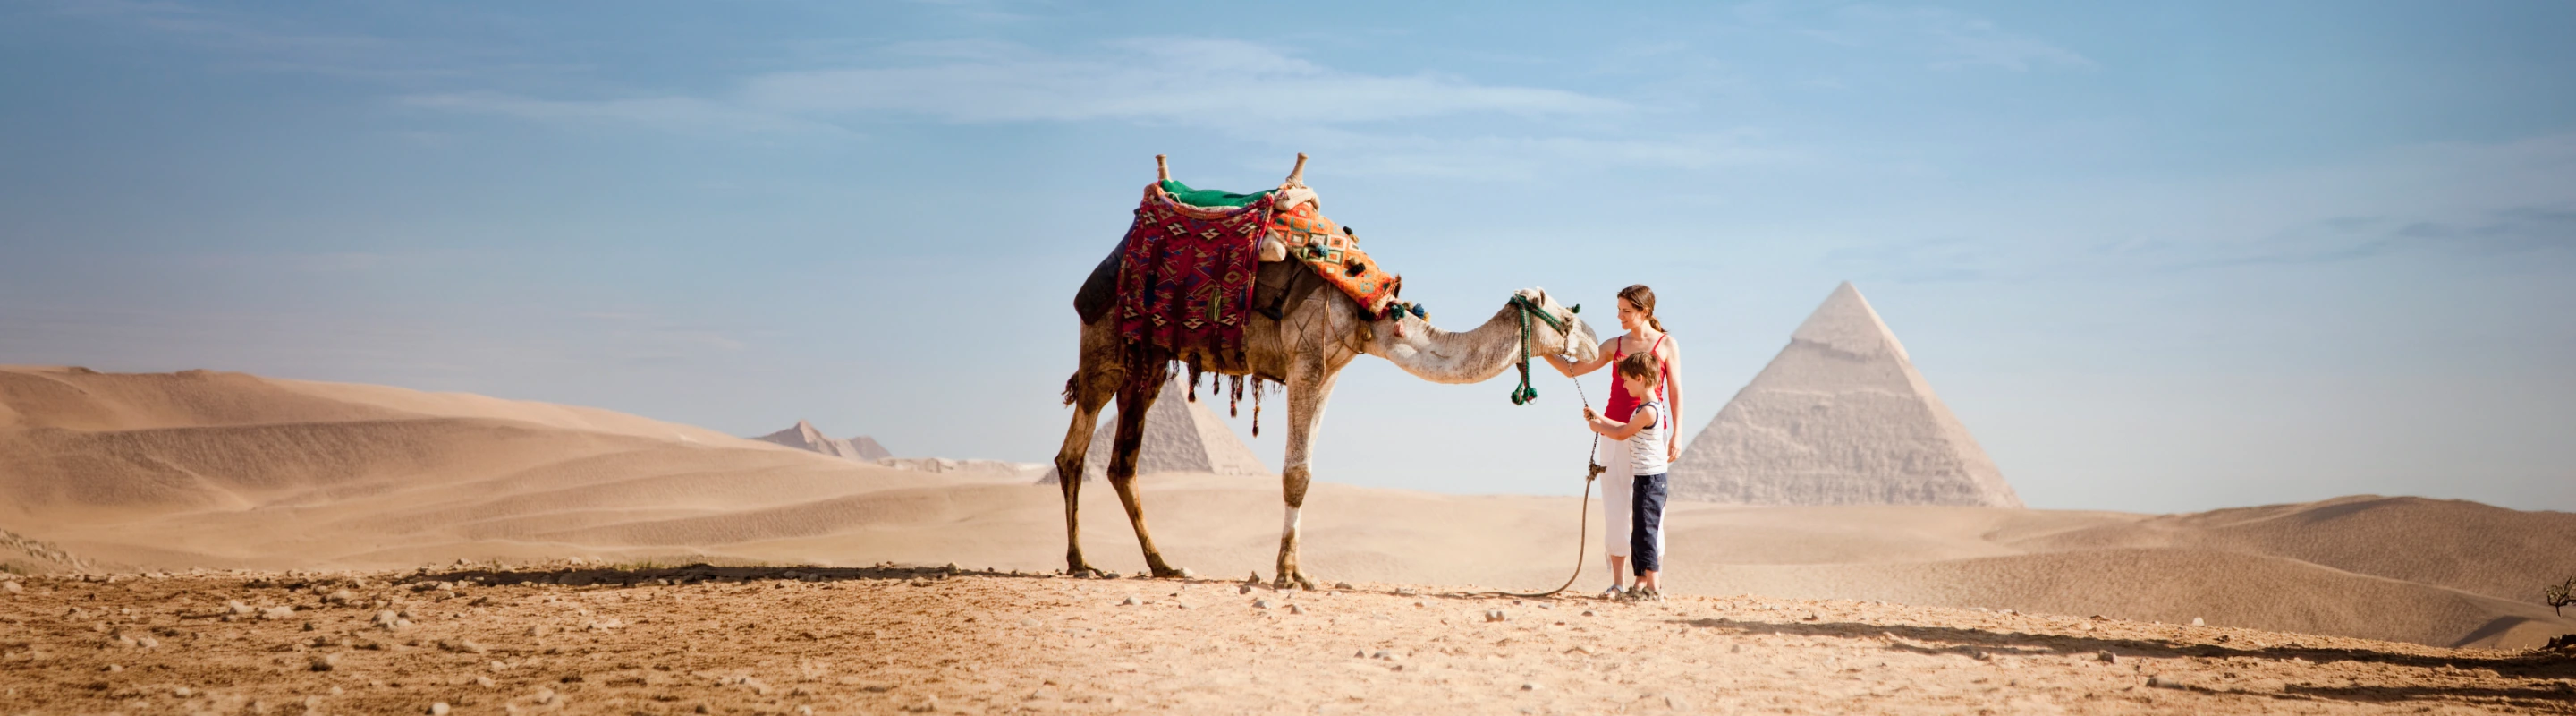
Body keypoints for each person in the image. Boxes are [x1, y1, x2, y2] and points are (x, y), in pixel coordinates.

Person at [1544, 284, 1684, 600]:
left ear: (1644, 312)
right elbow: (1573, 370)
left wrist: (1677, 433)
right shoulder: (1614, 345)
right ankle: (1618, 582)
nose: (1619, 316)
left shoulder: (1666, 344)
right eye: (1618, 309)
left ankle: (1649, 582)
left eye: (1626, 311)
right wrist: (1541, 351)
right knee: (1616, 503)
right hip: (1612, 430)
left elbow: (1675, 390)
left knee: (1649, 510)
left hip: (1648, 432)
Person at [1581, 353, 1670, 601]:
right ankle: (1643, 585)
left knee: (1646, 533)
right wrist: (1599, 417)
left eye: (1627, 380)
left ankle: (1653, 588)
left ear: (1640, 378)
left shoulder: (1649, 411)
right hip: (1645, 480)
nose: (1623, 385)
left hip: (1652, 482)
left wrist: (1599, 428)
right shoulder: (1645, 409)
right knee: (1640, 533)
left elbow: (1622, 434)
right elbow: (1622, 427)